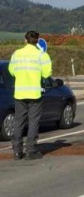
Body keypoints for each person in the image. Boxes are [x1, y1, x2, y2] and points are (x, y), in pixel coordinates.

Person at [9, 31, 52, 161]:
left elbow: (11, 71)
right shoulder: (41, 55)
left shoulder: (17, 54)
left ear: (25, 40)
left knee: (18, 122)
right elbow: (46, 74)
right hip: (34, 93)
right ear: (37, 41)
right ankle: (31, 150)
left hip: (20, 93)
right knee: (33, 122)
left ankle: (17, 151)